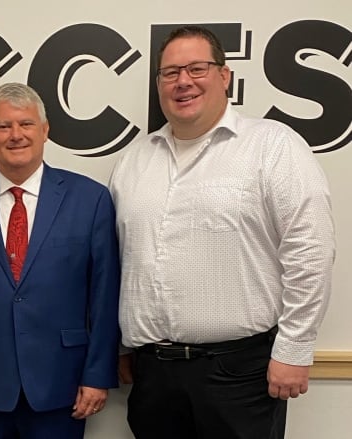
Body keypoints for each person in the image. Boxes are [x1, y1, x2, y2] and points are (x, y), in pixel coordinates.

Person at [109, 25, 335, 439]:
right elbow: (125, 261)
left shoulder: (272, 145)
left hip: (240, 373)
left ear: (224, 75)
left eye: (197, 68)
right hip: (152, 375)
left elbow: (310, 251)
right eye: (170, 72)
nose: (183, 82)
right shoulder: (134, 162)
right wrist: (124, 346)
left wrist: (295, 348)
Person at [0, 82, 121, 438]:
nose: (15, 135)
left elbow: (105, 298)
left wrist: (97, 375)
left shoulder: (90, 199)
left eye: (26, 124)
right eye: (3, 126)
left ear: (45, 130)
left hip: (62, 385)